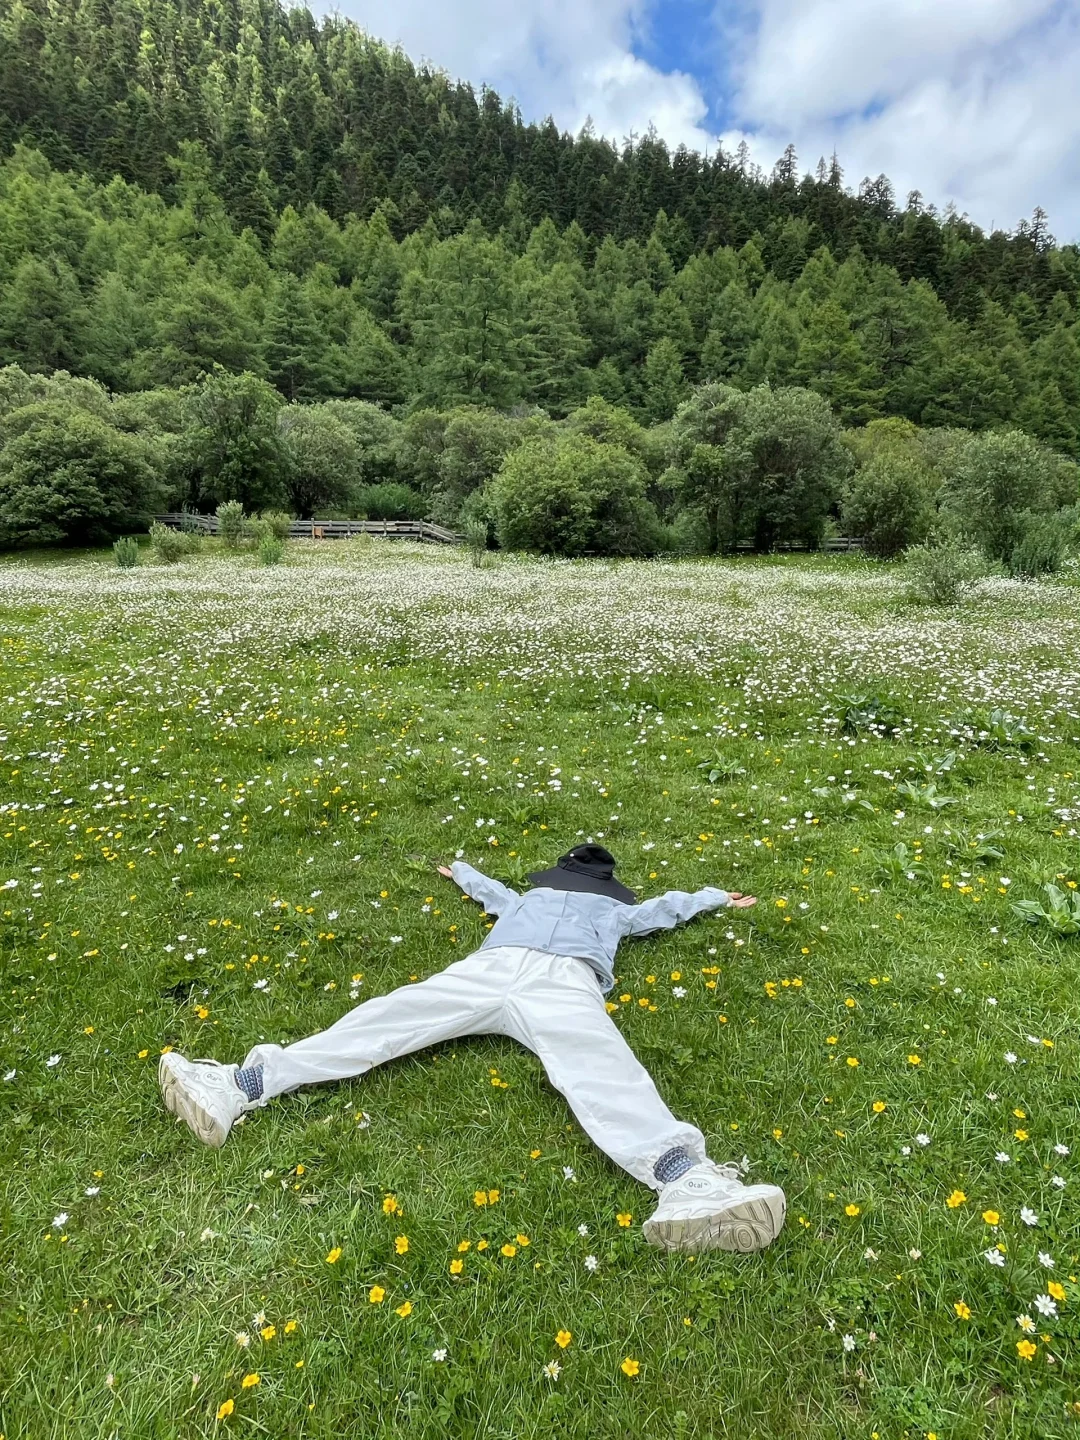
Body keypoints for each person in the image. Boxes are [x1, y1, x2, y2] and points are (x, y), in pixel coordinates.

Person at [159, 844, 786, 1253]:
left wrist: (715, 898)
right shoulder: (563, 903)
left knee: (596, 1060)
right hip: (503, 969)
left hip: (550, 977)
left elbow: (662, 909)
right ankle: (236, 1087)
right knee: (388, 1016)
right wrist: (459, 871)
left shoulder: (590, 908)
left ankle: (687, 1180)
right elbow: (499, 893)